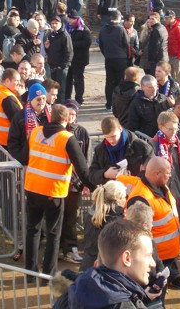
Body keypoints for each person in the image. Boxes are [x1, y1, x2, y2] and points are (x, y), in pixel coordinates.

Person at [24, 104, 93, 279]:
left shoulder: (36, 132)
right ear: (65, 119)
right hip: (53, 192)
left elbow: (25, 156)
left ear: (50, 115)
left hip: (32, 187)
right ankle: (48, 274)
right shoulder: (66, 138)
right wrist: (95, 189)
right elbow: (83, 169)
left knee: (33, 230)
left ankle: (30, 273)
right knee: (54, 233)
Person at [127, 157, 180, 290]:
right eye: (167, 172)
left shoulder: (161, 187)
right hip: (156, 259)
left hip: (166, 255)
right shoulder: (141, 197)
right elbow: (137, 233)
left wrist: (179, 235)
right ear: (157, 174)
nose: (170, 175)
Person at [64, 219, 154, 308]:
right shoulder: (123, 305)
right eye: (148, 255)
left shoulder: (70, 295)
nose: (153, 263)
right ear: (127, 258)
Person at [60, 100, 91, 263]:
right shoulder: (60, 132)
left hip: (75, 183)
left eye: (73, 114)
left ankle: (70, 247)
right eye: (68, 114)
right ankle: (61, 247)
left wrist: (86, 182)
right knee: (59, 216)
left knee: (72, 216)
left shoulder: (82, 132)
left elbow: (86, 158)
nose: (71, 117)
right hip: (59, 182)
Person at [89, 116, 154, 186]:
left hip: (136, 190)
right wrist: (105, 174)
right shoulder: (100, 150)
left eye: (113, 136)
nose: (111, 140)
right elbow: (92, 175)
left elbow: (153, 170)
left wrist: (136, 177)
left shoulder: (141, 147)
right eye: (107, 137)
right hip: (113, 192)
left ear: (120, 129)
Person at [80, 180, 126, 271]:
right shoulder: (116, 222)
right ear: (117, 201)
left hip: (86, 268)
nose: (126, 199)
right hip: (104, 273)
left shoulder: (91, 214)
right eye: (125, 197)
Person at [99, 10, 129, 111]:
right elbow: (126, 43)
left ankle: (109, 103)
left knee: (109, 81)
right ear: (119, 18)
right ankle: (118, 103)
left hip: (109, 58)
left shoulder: (103, 29)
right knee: (120, 81)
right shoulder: (121, 29)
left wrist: (106, 53)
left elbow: (101, 45)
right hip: (120, 58)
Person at [0, 68, 22, 148]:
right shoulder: (7, 98)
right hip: (7, 141)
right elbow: (19, 120)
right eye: (16, 80)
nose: (19, 83)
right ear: (7, 81)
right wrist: (21, 96)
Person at [44, 15, 73, 104]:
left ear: (60, 24)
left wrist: (62, 66)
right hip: (53, 66)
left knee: (60, 90)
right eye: (52, 23)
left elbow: (69, 52)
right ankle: (54, 106)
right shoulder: (51, 34)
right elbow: (50, 51)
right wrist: (47, 48)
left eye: (56, 23)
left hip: (61, 67)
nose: (54, 25)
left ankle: (60, 107)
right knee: (54, 89)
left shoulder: (65, 35)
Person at [65, 11, 91, 105]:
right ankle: (67, 97)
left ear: (77, 19)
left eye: (72, 18)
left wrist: (71, 44)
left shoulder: (83, 29)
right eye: (69, 18)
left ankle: (79, 98)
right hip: (69, 58)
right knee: (68, 79)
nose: (70, 20)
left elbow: (87, 43)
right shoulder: (66, 27)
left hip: (79, 59)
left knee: (78, 79)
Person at [164, 10, 180, 92]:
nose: (165, 19)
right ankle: (174, 91)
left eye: (167, 18)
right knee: (172, 75)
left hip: (176, 56)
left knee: (179, 75)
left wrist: (179, 56)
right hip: (169, 55)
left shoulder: (178, 28)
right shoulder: (167, 27)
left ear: (172, 17)